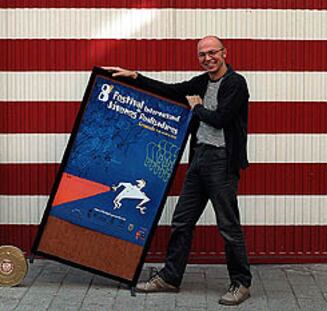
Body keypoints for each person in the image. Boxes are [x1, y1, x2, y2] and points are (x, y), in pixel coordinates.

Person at [104, 35, 252, 306]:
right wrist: (135, 76)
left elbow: (219, 119)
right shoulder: (200, 82)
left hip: (222, 162)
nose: (207, 58)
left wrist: (196, 107)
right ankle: (170, 278)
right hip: (200, 159)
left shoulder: (236, 83)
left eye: (212, 53)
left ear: (224, 53)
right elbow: (171, 90)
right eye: (202, 55)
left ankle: (241, 283)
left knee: (228, 226)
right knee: (182, 221)